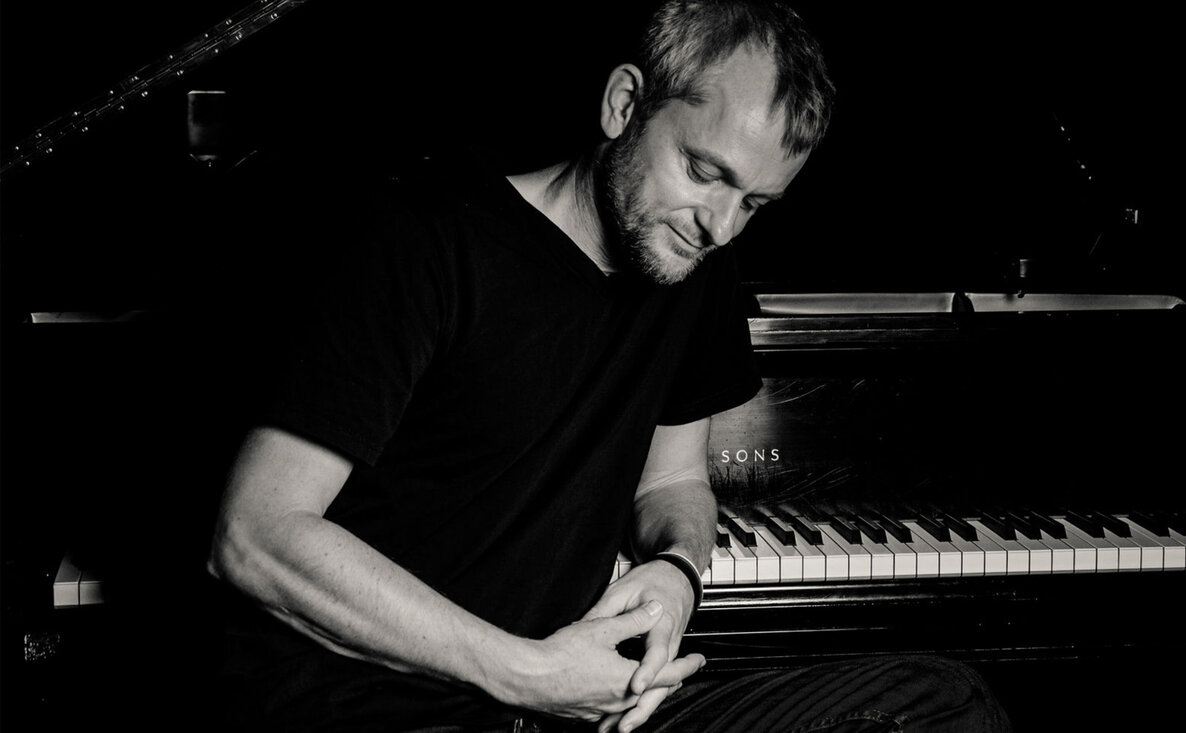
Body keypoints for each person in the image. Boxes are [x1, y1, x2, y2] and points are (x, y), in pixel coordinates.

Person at [207, 1, 1011, 731]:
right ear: (624, 104)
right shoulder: (424, 246)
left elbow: (673, 484)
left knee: (945, 702)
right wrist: (523, 672)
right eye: (705, 172)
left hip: (578, 711)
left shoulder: (699, 272)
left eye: (755, 205)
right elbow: (256, 534)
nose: (721, 228)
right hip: (383, 708)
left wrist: (676, 572)